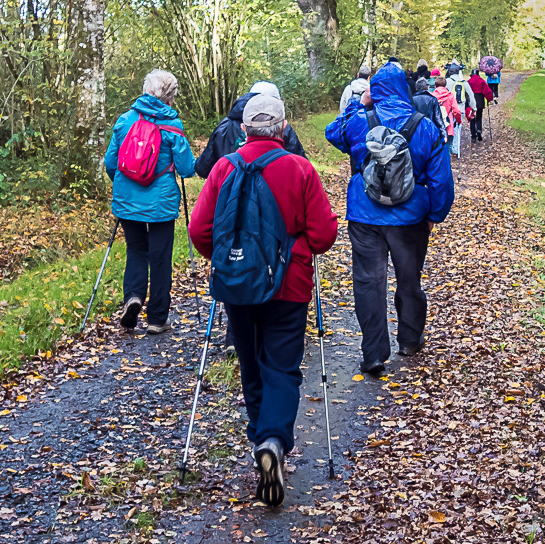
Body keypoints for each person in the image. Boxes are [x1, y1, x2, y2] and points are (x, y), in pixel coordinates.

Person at [189, 93, 338, 508]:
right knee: (283, 367)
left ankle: (261, 444)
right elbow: (324, 235)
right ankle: (273, 439)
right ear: (282, 128)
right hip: (288, 286)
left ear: (243, 128)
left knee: (250, 365)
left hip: (238, 287)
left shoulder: (224, 168)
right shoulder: (299, 168)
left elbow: (199, 231)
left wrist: (233, 262)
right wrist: (297, 251)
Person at [325, 64, 454, 375]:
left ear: (376, 90)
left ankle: (373, 354)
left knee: (369, 283)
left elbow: (332, 132)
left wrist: (360, 102)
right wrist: (434, 215)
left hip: (365, 216)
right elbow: (441, 180)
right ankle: (409, 340)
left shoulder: (359, 121)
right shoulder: (424, 126)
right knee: (409, 280)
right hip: (410, 219)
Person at [103, 69, 197, 334]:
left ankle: (132, 297)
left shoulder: (124, 121)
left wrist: (123, 183)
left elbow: (111, 163)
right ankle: (157, 319)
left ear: (145, 90)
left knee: (135, 250)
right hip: (161, 203)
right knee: (160, 257)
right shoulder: (172, 125)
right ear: (171, 97)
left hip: (127, 200)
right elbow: (187, 168)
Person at [196, 81, 305, 178]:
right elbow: (302, 169)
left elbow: (203, 169)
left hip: (229, 197)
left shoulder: (224, 127)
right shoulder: (281, 128)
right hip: (275, 196)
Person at [431, 76, 461, 150]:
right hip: (448, 126)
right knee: (447, 149)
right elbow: (456, 111)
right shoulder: (450, 96)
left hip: (435, 126)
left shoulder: (431, 96)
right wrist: (458, 120)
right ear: (445, 85)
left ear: (435, 85)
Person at [467, 67, 494, 142]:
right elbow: (488, 92)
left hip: (471, 102)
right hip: (480, 101)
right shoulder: (481, 81)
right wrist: (489, 99)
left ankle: (473, 136)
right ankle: (479, 130)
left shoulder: (468, 82)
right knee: (479, 117)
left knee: (472, 118)